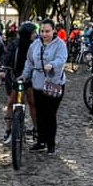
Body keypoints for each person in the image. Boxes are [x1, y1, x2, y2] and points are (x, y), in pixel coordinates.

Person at [21, 19, 67, 155]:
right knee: (40, 113)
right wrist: (25, 75)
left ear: (54, 31)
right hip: (38, 83)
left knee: (50, 114)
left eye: (47, 31)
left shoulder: (60, 45)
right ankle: (41, 141)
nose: (45, 34)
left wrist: (52, 64)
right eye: (42, 31)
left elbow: (62, 59)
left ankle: (51, 143)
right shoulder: (35, 45)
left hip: (54, 83)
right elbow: (29, 61)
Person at [2, 21, 38, 143]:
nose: (35, 34)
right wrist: (3, 68)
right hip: (16, 77)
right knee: (11, 102)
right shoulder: (15, 44)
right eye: (33, 32)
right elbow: (6, 57)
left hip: (31, 78)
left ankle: (36, 128)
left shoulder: (36, 46)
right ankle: (8, 130)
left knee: (32, 102)